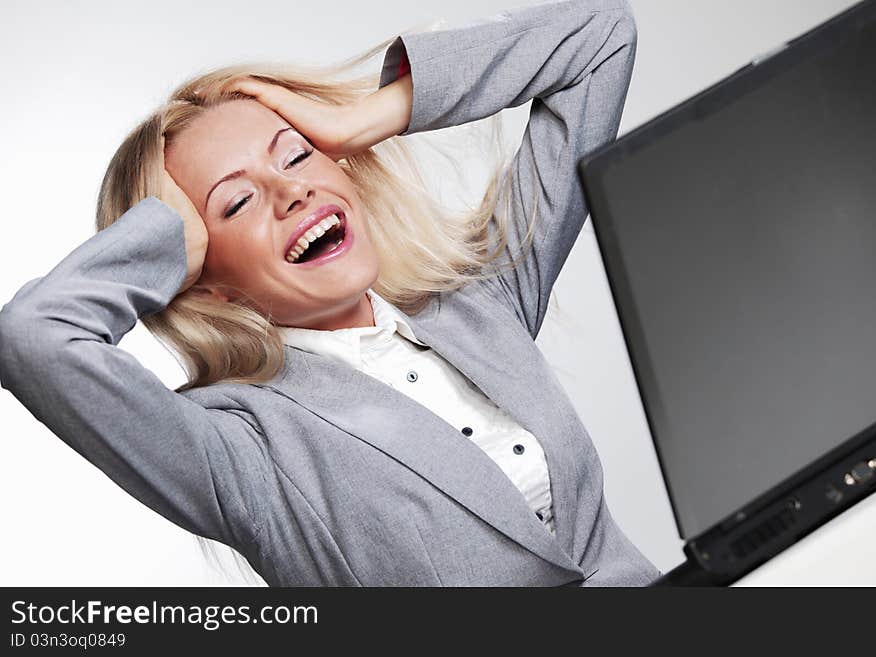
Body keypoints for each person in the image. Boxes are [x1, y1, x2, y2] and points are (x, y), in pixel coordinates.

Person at [0, 0, 662, 586]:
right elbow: (33, 335)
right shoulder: (239, 446)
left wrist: (368, 117)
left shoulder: (479, 302)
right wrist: (166, 236)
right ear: (207, 279)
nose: (292, 191)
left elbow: (600, 36)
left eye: (295, 156)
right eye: (236, 202)